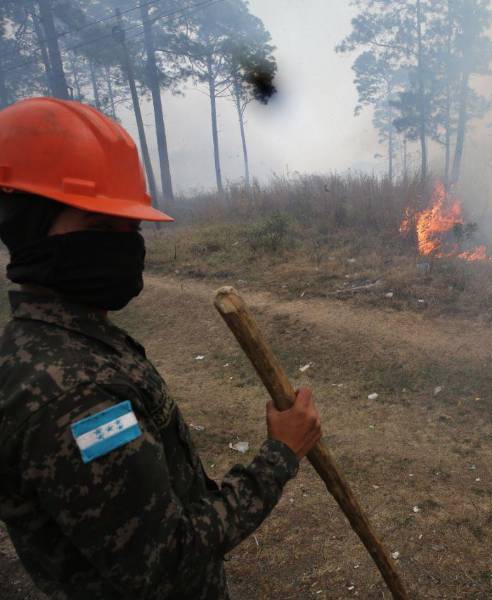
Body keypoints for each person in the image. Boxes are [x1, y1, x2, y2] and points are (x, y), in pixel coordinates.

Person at [0, 97, 322, 599]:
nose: (125, 246)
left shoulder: (63, 341)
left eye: (130, 227)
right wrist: (278, 455)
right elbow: (170, 561)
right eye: (100, 228)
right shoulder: (74, 396)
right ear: (29, 230)